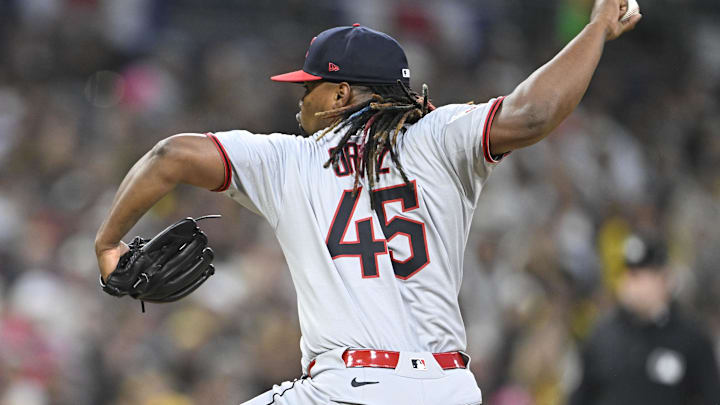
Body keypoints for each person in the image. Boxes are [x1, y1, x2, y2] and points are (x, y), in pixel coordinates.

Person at [95, 1, 640, 404]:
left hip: (349, 387)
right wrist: (595, 29)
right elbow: (535, 114)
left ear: (339, 94)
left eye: (308, 86)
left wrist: (108, 241)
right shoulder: (441, 135)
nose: (300, 97)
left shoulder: (289, 161)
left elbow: (170, 154)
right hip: (450, 388)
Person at [569, 234, 720, 405]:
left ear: (664, 278)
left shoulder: (691, 339)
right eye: (628, 275)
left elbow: (711, 396)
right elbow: (580, 396)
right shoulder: (602, 336)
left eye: (640, 276)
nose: (632, 285)